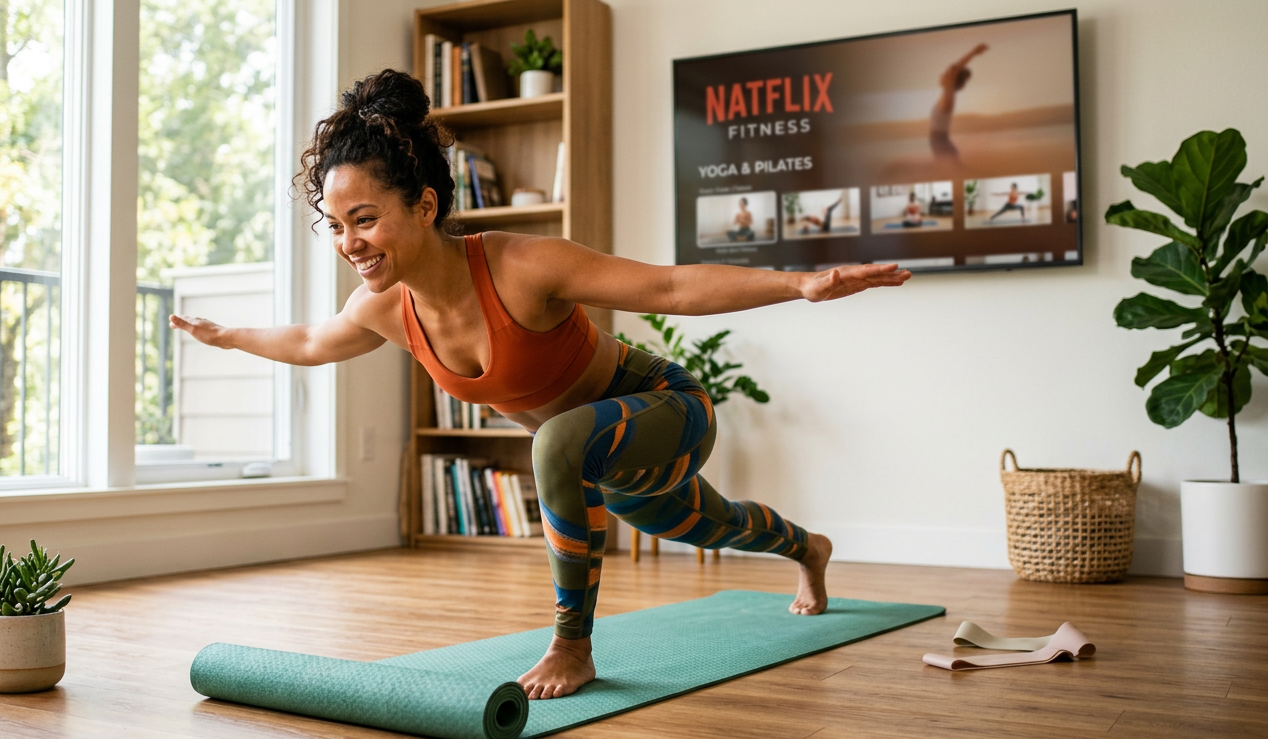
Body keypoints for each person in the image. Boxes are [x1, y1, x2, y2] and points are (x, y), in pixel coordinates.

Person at [169, 70, 912, 701]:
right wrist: (227, 336)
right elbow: (306, 341)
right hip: (597, 460)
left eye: (364, 219)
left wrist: (804, 284)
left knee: (557, 439)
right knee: (706, 523)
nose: (348, 243)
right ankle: (807, 549)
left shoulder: (523, 266)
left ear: (425, 205)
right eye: (334, 226)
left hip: (668, 407)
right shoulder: (382, 309)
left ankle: (573, 647)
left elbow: (674, 286)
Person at [930, 43, 988, 160]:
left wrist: (973, 52)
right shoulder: (947, 94)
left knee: (953, 174)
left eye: (945, 74)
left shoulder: (948, 93)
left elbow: (956, 68)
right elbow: (955, 70)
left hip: (940, 144)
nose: (941, 75)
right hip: (941, 143)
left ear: (951, 79)